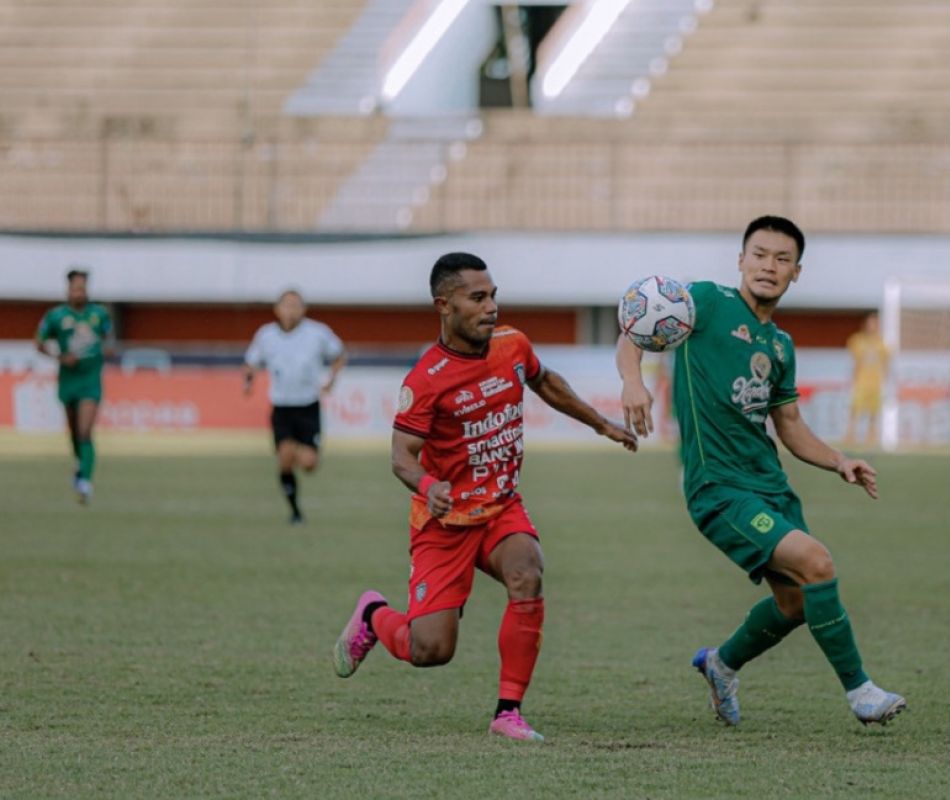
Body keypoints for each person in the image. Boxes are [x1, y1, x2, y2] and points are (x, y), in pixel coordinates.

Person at [331, 252, 636, 742]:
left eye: (493, 295)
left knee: (527, 571)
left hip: (499, 507)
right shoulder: (425, 380)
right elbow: (401, 456)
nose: (491, 306)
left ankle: (507, 713)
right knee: (430, 649)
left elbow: (545, 382)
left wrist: (600, 423)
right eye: (477, 298)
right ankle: (373, 614)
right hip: (444, 523)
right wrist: (431, 488)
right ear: (445, 305)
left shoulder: (512, 345)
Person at [616, 216, 906, 727]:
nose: (768, 266)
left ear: (796, 272)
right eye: (760, 254)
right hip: (718, 487)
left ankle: (721, 664)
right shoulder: (703, 301)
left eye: (781, 259)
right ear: (741, 260)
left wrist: (840, 460)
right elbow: (634, 327)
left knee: (794, 603)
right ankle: (860, 691)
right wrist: (632, 381)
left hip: (769, 485)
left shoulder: (780, 346)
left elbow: (789, 425)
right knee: (817, 562)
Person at [243, 289, 346, 524]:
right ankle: (295, 512)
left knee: (309, 464)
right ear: (277, 309)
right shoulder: (266, 335)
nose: (291, 310)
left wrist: (331, 379)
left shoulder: (317, 333)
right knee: (284, 459)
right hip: (281, 407)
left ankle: (297, 451)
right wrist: (248, 381)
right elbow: (251, 363)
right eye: (286, 305)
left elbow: (340, 355)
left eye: (296, 305)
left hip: (308, 406)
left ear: (303, 309)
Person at [35, 268, 115, 504]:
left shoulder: (99, 314)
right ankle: (80, 464)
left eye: (82, 288)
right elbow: (39, 343)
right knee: (73, 432)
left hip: (91, 381)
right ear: (68, 289)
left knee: (85, 430)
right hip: (68, 380)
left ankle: (85, 481)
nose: (79, 292)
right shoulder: (56, 316)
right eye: (75, 288)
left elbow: (109, 339)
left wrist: (107, 348)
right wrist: (60, 358)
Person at [845, 312, 890, 446]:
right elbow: (855, 362)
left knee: (873, 413)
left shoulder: (882, 343)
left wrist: (885, 380)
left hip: (876, 384)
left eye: (875, 323)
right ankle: (849, 435)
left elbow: (886, 363)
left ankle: (871, 437)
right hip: (861, 382)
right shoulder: (857, 340)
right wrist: (852, 380)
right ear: (865, 324)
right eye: (870, 323)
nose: (872, 326)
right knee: (855, 410)